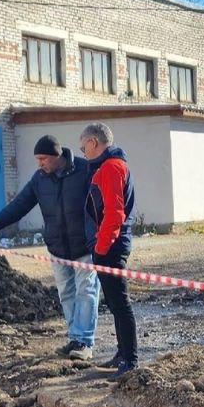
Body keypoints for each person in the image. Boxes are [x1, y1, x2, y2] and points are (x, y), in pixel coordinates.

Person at [0, 134, 99, 360]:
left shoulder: (84, 170)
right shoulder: (40, 179)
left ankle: (84, 342)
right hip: (57, 248)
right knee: (66, 294)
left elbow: (101, 202)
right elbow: (20, 203)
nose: (40, 163)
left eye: (43, 158)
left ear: (56, 156)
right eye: (37, 159)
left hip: (84, 246)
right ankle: (75, 338)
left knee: (87, 292)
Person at [79, 122, 138, 376]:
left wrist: (101, 248)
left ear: (93, 142)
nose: (83, 153)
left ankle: (130, 361)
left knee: (120, 303)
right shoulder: (109, 166)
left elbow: (114, 213)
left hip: (111, 248)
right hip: (109, 245)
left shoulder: (112, 168)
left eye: (84, 148)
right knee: (114, 303)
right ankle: (122, 353)